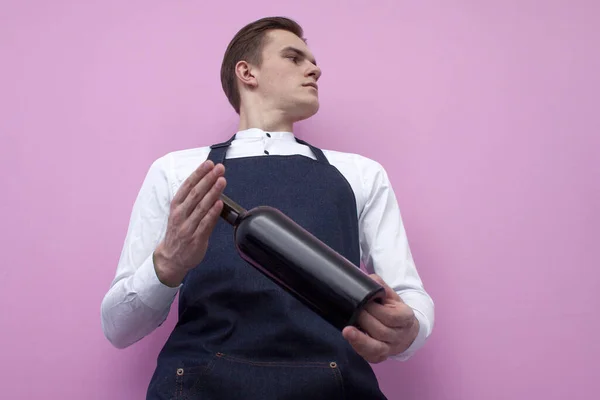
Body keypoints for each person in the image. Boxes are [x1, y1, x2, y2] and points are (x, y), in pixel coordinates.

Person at [101, 16, 434, 400]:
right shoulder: (177, 171)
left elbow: (409, 295)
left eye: (312, 61)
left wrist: (409, 330)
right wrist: (169, 265)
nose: (315, 69)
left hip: (333, 386)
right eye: (295, 57)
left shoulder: (362, 173)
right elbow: (117, 328)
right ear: (247, 72)